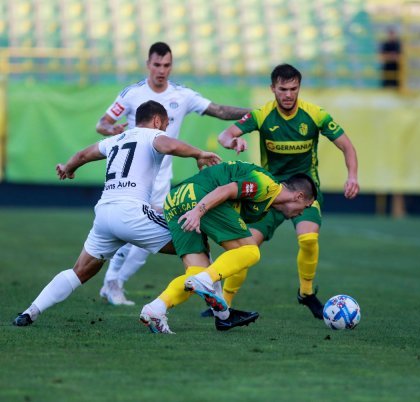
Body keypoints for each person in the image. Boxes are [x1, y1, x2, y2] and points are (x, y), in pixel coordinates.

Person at [12, 101, 222, 327]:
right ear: (157, 121)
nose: (165, 129)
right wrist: (199, 153)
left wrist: (68, 168)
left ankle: (30, 311)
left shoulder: (116, 139)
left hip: (104, 213)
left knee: (80, 271)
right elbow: (169, 145)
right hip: (132, 213)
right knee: (195, 242)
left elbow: (83, 154)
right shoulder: (152, 135)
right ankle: (222, 314)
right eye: (166, 124)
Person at [96, 41, 250, 306]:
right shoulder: (131, 95)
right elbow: (103, 123)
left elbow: (220, 111)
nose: (162, 70)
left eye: (167, 65)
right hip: (133, 179)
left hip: (161, 181)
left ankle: (113, 283)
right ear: (148, 64)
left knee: (142, 244)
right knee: (130, 235)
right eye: (157, 64)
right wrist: (112, 131)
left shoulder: (183, 95)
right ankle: (113, 282)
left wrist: (258, 115)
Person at [216, 63, 360, 319]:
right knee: (245, 248)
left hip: (305, 193)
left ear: (299, 88)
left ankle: (306, 293)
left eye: (293, 89)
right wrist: (233, 141)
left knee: (308, 239)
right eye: (283, 89)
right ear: (273, 88)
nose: (288, 94)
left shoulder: (315, 115)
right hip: (270, 195)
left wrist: (352, 176)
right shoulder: (262, 115)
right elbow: (225, 135)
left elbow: (347, 147)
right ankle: (223, 303)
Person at [139, 160, 317, 334]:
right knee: (250, 250)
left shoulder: (263, 208)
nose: (302, 213)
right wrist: (198, 211)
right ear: (299, 196)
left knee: (194, 273)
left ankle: (155, 309)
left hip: (175, 199)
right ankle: (208, 284)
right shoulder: (267, 185)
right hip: (199, 198)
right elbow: (225, 189)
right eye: (306, 207)